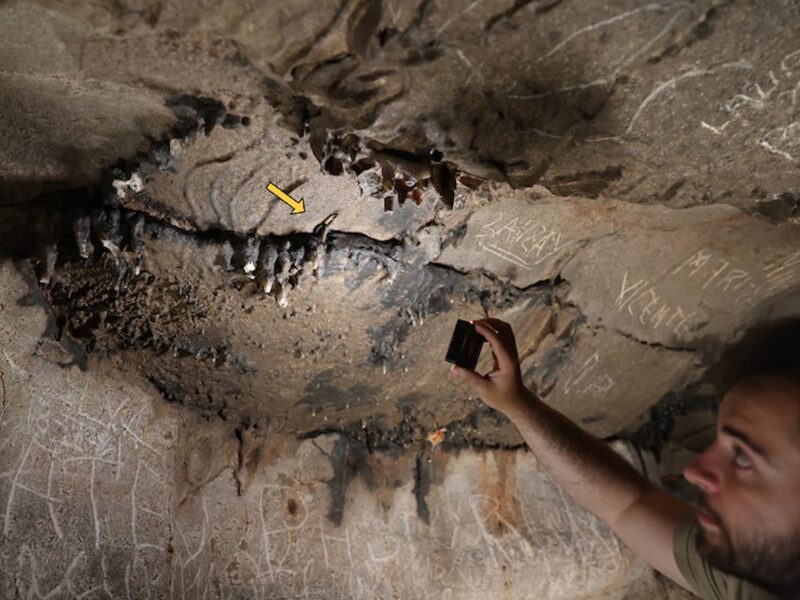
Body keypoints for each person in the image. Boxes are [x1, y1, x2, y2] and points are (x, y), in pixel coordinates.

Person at [450, 318, 800, 599]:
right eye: (718, 441)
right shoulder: (753, 578)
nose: (694, 472)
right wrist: (517, 404)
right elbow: (627, 503)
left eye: (742, 459)